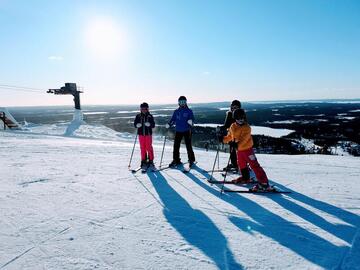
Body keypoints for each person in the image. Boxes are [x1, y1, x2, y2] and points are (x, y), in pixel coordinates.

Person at [223, 108, 270, 191]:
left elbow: (244, 140)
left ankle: (264, 183)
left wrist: (236, 145)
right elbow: (230, 136)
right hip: (240, 151)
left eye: (242, 118)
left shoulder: (247, 128)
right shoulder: (233, 126)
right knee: (241, 164)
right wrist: (223, 139)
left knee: (254, 165)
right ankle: (245, 178)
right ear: (235, 118)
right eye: (238, 118)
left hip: (247, 149)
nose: (241, 120)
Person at [166, 96, 196, 167]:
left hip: (186, 130)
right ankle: (176, 159)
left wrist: (191, 122)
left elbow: (192, 119)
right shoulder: (176, 111)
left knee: (188, 146)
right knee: (176, 146)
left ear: (186, 102)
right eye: (181, 102)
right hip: (178, 130)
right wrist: (169, 124)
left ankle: (191, 159)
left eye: (184, 102)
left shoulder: (189, 111)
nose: (182, 103)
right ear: (178, 103)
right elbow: (173, 120)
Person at [218, 100, 241, 172]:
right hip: (231, 135)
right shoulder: (229, 114)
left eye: (236, 107)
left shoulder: (240, 114)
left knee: (241, 151)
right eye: (233, 107)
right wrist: (221, 128)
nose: (234, 108)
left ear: (239, 108)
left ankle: (242, 164)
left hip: (239, 136)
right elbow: (226, 125)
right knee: (232, 151)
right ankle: (234, 164)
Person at [134, 102, 155, 170]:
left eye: (145, 108)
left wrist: (150, 124)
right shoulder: (138, 116)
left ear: (147, 109)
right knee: (142, 148)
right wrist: (137, 125)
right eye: (142, 108)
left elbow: (153, 125)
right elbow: (135, 124)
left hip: (148, 134)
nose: (143, 110)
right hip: (141, 135)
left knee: (148, 147)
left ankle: (151, 160)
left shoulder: (150, 116)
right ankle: (143, 160)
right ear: (140, 109)